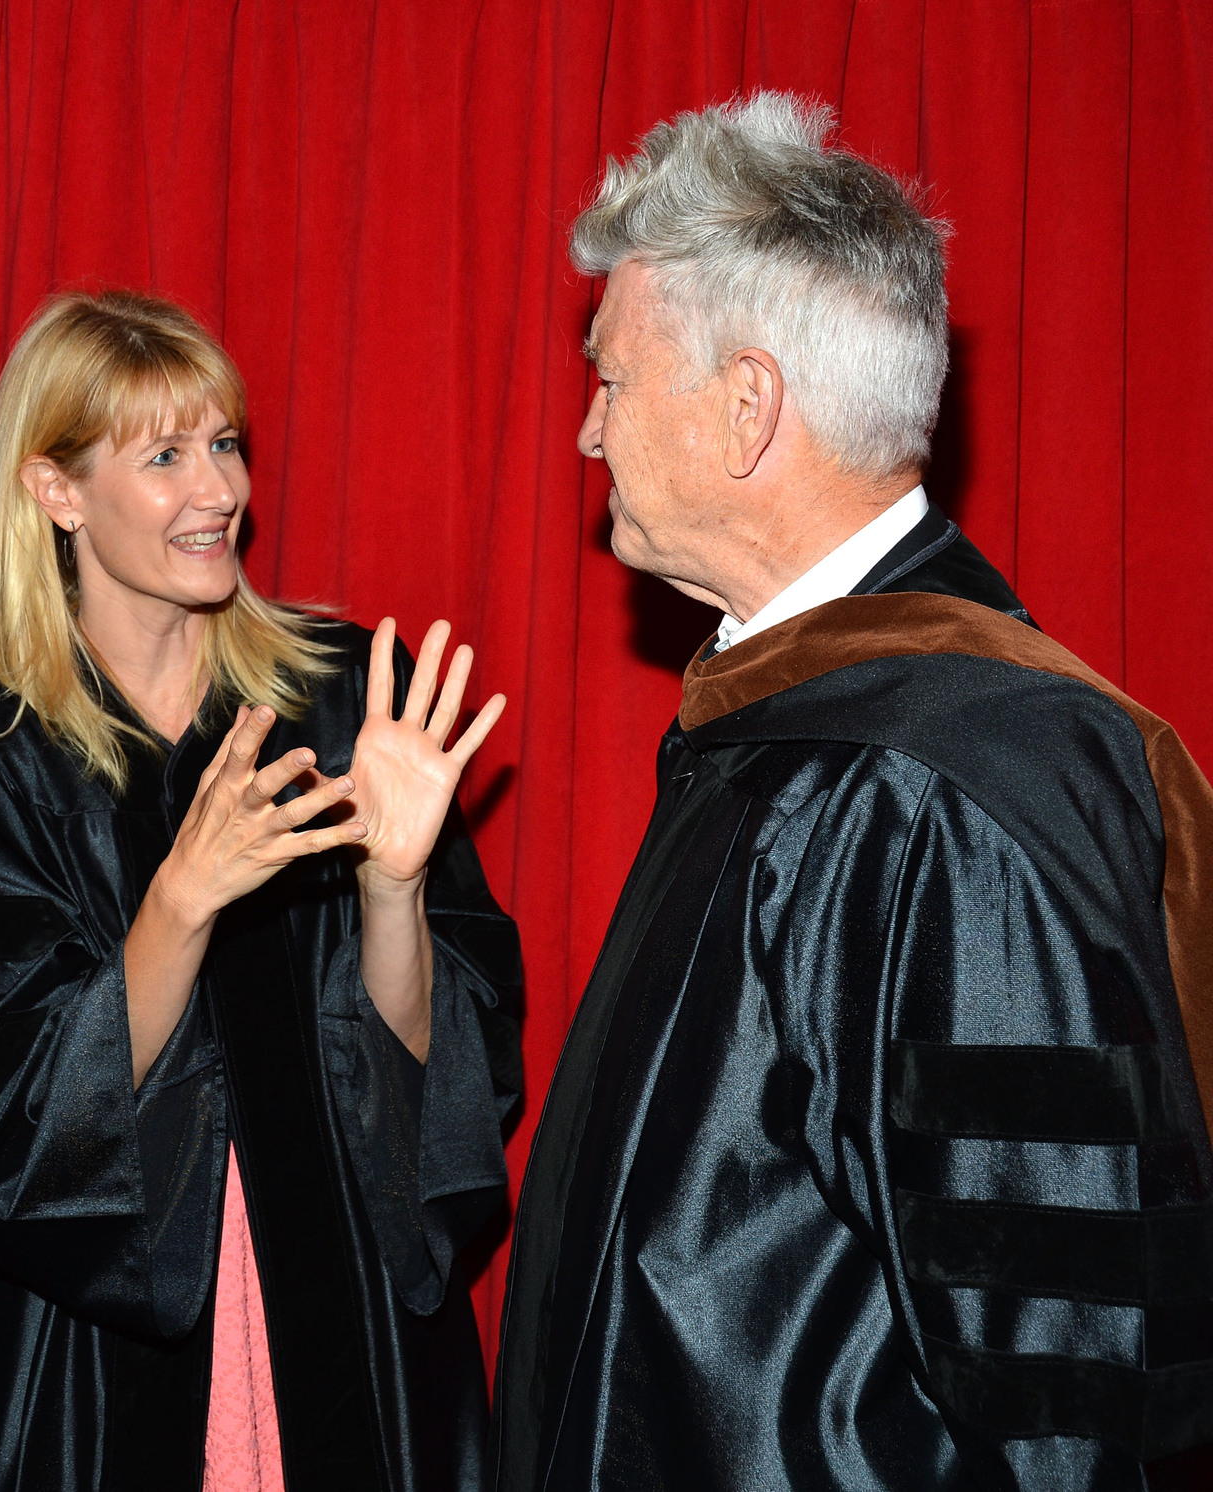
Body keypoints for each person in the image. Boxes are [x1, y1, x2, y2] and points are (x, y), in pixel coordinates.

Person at [487, 94, 1213, 1491]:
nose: (589, 434)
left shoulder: (941, 791)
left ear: (748, 405)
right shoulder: (802, 724)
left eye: (613, 380)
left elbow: (1058, 1399)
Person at [0, 290, 524, 1492]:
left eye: (224, 443)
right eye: (165, 455)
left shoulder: (338, 696)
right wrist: (181, 899)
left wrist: (393, 887)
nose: (217, 489)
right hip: (91, 1355)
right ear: (53, 490)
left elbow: (436, 1086)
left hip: (338, 1314)